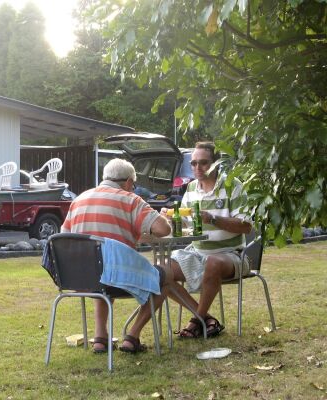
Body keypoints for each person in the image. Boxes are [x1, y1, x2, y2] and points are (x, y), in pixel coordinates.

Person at [60, 158, 174, 354]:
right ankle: (132, 336)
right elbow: (163, 229)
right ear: (129, 182)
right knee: (167, 275)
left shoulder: (79, 200)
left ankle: (100, 339)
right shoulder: (131, 200)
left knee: (101, 266)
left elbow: (64, 236)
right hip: (115, 279)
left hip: (80, 278)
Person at [168, 141, 252, 338]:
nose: (197, 168)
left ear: (216, 163)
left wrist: (213, 219)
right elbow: (188, 228)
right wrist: (172, 220)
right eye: (194, 163)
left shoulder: (233, 185)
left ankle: (195, 321)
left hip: (231, 254)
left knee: (213, 263)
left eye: (203, 163)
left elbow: (246, 226)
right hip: (196, 252)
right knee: (162, 271)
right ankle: (205, 318)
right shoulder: (190, 189)